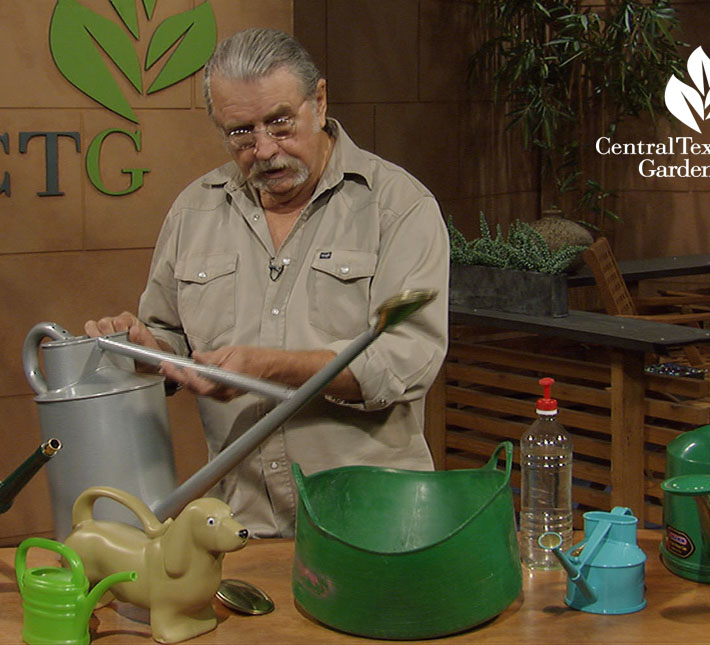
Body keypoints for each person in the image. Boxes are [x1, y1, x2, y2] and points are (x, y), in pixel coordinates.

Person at [85, 28, 449, 538]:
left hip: (371, 523)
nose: (265, 149)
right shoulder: (195, 210)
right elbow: (171, 336)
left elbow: (406, 361)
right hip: (238, 526)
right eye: (240, 132)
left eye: (280, 123)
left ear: (318, 102)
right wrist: (154, 354)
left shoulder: (398, 207)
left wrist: (274, 367)